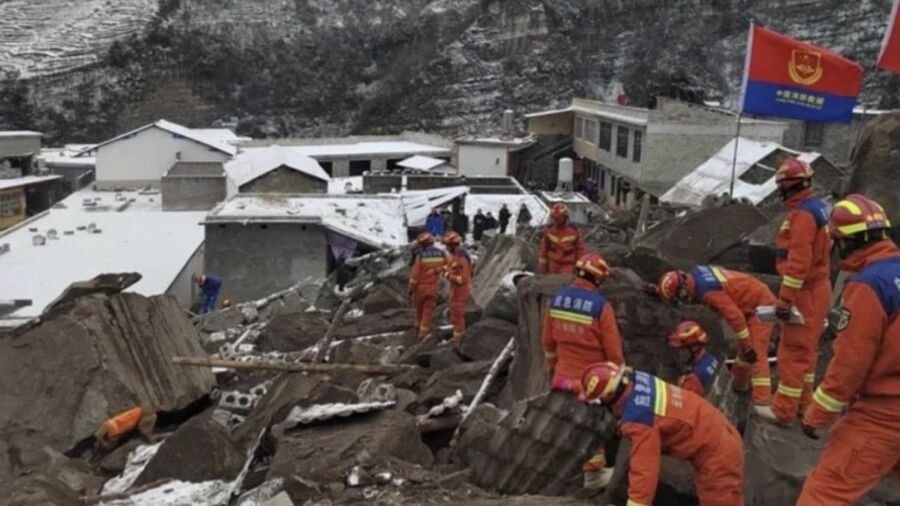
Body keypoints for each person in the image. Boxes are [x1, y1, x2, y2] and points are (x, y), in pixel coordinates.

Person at [797, 195, 899, 505]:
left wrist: (817, 414)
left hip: (885, 413)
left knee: (824, 494)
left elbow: (850, 364)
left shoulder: (869, 286)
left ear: (844, 241)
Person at [580, 362, 744, 506]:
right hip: (717, 433)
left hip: (717, 454)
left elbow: (644, 472)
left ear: (609, 399)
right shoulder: (637, 379)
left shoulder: (639, 419)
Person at [755, 158, 832, 425]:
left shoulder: (803, 216)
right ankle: (803, 404)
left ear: (788, 187)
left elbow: (798, 263)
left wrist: (785, 300)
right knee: (808, 352)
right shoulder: (819, 207)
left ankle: (783, 410)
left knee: (792, 351)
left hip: (805, 292)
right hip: (819, 288)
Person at [542, 252, 624, 489]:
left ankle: (562, 470)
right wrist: (620, 377)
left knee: (565, 423)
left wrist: (554, 369)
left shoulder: (557, 300)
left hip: (562, 378)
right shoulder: (600, 307)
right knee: (592, 427)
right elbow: (614, 352)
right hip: (592, 382)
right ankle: (593, 475)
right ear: (598, 279)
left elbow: (547, 342)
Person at [656, 266, 772, 405]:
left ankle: (762, 400)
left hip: (760, 305)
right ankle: (738, 386)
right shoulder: (695, 274)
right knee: (744, 351)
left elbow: (736, 318)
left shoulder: (709, 292)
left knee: (755, 351)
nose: (683, 299)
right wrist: (659, 292)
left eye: (681, 295)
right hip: (750, 296)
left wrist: (747, 345)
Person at [408, 233, 448, 339]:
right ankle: (423, 333)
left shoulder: (421, 256)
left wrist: (410, 289)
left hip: (420, 288)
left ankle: (418, 329)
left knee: (419, 309)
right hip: (434, 287)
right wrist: (437, 271)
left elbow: (414, 275)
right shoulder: (441, 254)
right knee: (428, 311)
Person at [668, 321, 721, 397]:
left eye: (681, 349)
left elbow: (683, 402)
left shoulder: (692, 380)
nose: (679, 354)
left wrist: (680, 385)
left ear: (694, 348)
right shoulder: (711, 358)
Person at [538, 203, 585, 274]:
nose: (556, 222)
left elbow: (580, 249)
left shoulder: (574, 231)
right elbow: (544, 248)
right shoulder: (549, 230)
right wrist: (542, 265)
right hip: (553, 263)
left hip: (568, 264)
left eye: (558, 219)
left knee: (564, 280)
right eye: (554, 219)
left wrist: (580, 266)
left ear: (565, 217)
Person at [443, 231, 472, 345]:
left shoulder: (462, 258)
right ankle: (457, 339)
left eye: (448, 246)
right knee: (455, 316)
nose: (447, 248)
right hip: (455, 291)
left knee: (458, 317)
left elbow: (462, 279)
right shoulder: (456, 255)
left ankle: (459, 342)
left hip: (460, 291)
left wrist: (448, 275)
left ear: (453, 245)